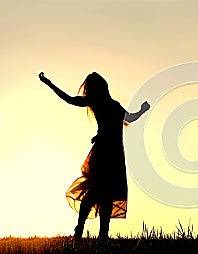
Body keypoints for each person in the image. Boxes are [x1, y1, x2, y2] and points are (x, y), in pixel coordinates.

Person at [38, 71, 150, 241]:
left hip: (110, 153)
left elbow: (70, 100)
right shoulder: (107, 104)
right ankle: (85, 231)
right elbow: (130, 118)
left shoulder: (107, 104)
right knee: (100, 193)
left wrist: (48, 83)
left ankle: (94, 233)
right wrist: (48, 83)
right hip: (110, 153)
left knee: (105, 195)